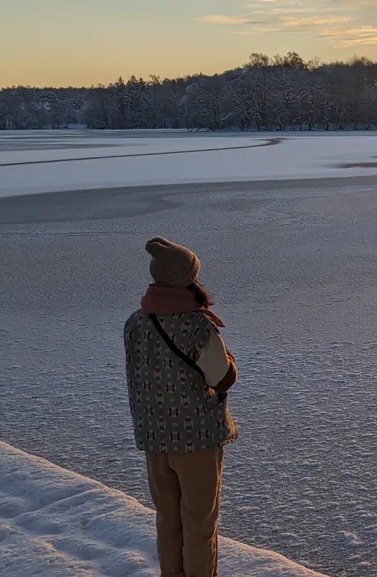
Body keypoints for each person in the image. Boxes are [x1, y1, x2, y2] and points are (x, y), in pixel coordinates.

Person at [124, 237, 238, 577]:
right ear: (187, 279)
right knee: (199, 526)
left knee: (168, 521)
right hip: (196, 440)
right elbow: (222, 378)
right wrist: (229, 359)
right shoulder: (196, 325)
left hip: (154, 439)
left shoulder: (135, 322)